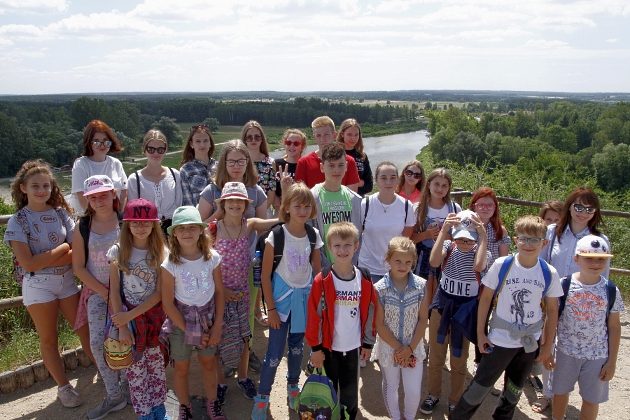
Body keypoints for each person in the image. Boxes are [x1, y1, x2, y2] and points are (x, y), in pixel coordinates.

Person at [451, 215, 563, 420]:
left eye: (534, 240)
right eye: (523, 238)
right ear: (516, 240)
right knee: (479, 387)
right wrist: (481, 335)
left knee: (514, 390)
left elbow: (553, 310)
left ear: (544, 243)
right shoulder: (502, 265)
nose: (528, 244)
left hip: (528, 342)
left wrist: (547, 346)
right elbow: (485, 300)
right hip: (500, 339)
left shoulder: (549, 272)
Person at [4, 159, 91, 408]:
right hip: (38, 285)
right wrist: (64, 247)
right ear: (23, 188)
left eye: (46, 186)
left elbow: (79, 249)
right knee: (49, 339)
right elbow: (28, 264)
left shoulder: (60, 213)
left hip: (66, 281)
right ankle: (64, 387)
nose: (42, 191)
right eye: (36, 186)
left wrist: (51, 255)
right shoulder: (17, 221)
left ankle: (108, 375)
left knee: (83, 330)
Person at [534, 187, 611, 413]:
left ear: (595, 212)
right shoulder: (552, 232)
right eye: (578, 206)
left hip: (582, 303)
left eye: (589, 208)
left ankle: (560, 393)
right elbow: (541, 264)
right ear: (569, 206)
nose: (583, 212)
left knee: (568, 349)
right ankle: (548, 394)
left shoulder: (599, 240)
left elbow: (603, 277)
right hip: (552, 299)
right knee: (548, 345)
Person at [251, 183, 324, 419]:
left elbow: (316, 271)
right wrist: (270, 308)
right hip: (280, 303)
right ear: (287, 208)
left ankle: (293, 387)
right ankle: (263, 397)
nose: (302, 210)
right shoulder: (277, 235)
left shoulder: (313, 235)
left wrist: (317, 303)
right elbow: (264, 275)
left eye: (306, 206)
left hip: (303, 301)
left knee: (296, 348)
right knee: (273, 353)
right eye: (297, 206)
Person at [197, 139, 267, 372]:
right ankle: (222, 359)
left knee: (245, 315)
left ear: (248, 162)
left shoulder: (256, 191)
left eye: (241, 160)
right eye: (231, 161)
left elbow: (262, 227)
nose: (236, 166)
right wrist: (217, 213)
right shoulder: (211, 191)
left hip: (247, 264)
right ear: (223, 163)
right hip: (218, 269)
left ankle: (246, 355)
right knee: (219, 314)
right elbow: (197, 229)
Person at [210, 182, 278, 405]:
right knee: (218, 341)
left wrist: (286, 194)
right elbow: (204, 265)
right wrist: (223, 291)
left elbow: (280, 220)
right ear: (223, 204)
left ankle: (244, 377)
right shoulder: (212, 229)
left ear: (245, 205)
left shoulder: (248, 225)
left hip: (243, 294)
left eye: (240, 201)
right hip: (219, 296)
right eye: (231, 200)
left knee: (244, 337)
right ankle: (221, 382)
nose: (236, 204)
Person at [306, 221, 377, 420]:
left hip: (353, 348)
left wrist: (368, 342)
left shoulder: (364, 277)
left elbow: (372, 310)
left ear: (356, 246)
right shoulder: (323, 279)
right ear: (329, 248)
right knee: (328, 394)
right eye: (337, 245)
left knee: (350, 395)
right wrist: (316, 348)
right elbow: (314, 316)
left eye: (348, 245)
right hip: (329, 348)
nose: (342, 250)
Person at [421, 210, 489, 415]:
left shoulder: (482, 251)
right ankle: (433, 394)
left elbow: (479, 265)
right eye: (460, 238)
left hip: (464, 312)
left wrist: (483, 235)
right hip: (442, 306)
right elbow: (433, 262)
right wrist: (443, 232)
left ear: (476, 238)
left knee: (459, 358)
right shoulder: (449, 247)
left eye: (469, 240)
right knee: (436, 356)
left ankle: (455, 399)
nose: (464, 243)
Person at [160, 206, 226, 420]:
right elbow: (168, 304)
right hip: (181, 322)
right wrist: (189, 330)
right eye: (181, 228)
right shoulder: (170, 264)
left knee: (208, 363)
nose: (187, 232)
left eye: (192, 227)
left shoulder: (212, 258)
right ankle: (184, 406)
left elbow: (219, 292)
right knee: (181, 367)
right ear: (174, 234)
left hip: (208, 320)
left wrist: (217, 326)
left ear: (201, 230)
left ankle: (212, 402)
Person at [72, 175, 128, 419]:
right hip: (97, 293)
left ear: (113, 194)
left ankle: (128, 387)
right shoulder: (82, 226)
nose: (99, 200)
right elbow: (79, 267)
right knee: (98, 343)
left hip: (128, 292)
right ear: (87, 200)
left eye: (103, 194)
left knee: (127, 339)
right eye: (93, 197)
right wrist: (104, 292)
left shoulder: (126, 221)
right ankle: (113, 394)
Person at [551, 235, 624, 420]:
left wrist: (611, 361)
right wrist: (548, 348)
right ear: (576, 258)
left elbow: (614, 327)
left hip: (597, 356)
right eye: (589, 258)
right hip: (565, 351)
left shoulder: (611, 290)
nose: (595, 263)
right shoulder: (563, 285)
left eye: (601, 259)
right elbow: (552, 319)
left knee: (592, 400)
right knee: (560, 394)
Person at [107, 199, 168, 420]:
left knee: (156, 366)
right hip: (129, 321)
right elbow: (114, 292)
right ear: (127, 224)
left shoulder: (161, 251)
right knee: (135, 369)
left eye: (146, 222)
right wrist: (123, 325)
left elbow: (160, 293)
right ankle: (144, 412)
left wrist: (127, 316)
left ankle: (159, 409)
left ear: (154, 225)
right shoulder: (117, 251)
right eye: (135, 222)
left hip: (153, 319)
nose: (141, 227)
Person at [372, 237, 430, 420]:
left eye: (408, 261)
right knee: (392, 385)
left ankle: (410, 417)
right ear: (388, 260)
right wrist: (399, 349)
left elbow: (423, 320)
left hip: (414, 347)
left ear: (413, 262)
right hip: (390, 348)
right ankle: (396, 417)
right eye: (397, 260)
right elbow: (379, 324)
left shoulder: (421, 286)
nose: (403, 265)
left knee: (413, 391)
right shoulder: (379, 289)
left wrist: (410, 349)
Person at [358, 161, 415, 284]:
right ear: (376, 180)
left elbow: (406, 238)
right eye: (383, 178)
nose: (388, 182)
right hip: (368, 267)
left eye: (392, 178)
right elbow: (358, 234)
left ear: (398, 180)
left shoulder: (406, 206)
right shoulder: (366, 204)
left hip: (395, 268)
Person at [309, 142, 363, 268]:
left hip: (349, 266)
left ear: (346, 166)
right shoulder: (312, 198)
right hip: (323, 266)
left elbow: (358, 236)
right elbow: (310, 236)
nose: (336, 170)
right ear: (322, 167)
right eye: (331, 166)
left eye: (340, 165)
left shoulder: (355, 199)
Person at [411, 168, 461, 301]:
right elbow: (409, 239)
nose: (440, 189)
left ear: (449, 188)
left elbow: (460, 240)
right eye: (437, 184)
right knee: (421, 293)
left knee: (442, 293)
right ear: (429, 185)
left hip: (447, 257)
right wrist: (427, 234)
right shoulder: (417, 208)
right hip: (422, 257)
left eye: (444, 185)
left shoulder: (455, 208)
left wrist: (446, 236)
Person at [127, 129, 182, 236]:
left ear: (165, 150)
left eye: (160, 149)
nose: (156, 153)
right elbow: (133, 211)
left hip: (172, 230)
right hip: (146, 231)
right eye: (151, 149)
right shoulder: (134, 179)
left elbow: (178, 205)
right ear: (144, 150)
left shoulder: (175, 175)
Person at [71, 119, 127, 212]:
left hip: (114, 218)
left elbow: (124, 191)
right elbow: (81, 197)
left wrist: (118, 213)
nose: (102, 145)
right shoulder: (81, 164)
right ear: (89, 143)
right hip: (90, 220)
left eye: (105, 141)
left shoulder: (116, 163)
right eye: (96, 141)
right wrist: (99, 219)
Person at [294, 116, 360, 191]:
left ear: (334, 135)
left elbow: (352, 194)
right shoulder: (304, 162)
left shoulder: (348, 161)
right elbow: (301, 195)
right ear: (314, 137)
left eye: (326, 134)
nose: (322, 139)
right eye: (318, 135)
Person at [468, 187, 510, 268]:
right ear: (474, 206)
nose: (485, 208)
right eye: (481, 205)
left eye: (490, 205)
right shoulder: (466, 226)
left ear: (495, 207)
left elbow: (503, 260)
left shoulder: (500, 230)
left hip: (490, 276)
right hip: (467, 275)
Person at [267, 129, 307, 211]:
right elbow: (270, 186)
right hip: (278, 209)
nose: (291, 146)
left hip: (298, 209)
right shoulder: (276, 163)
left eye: (296, 144)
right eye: (288, 143)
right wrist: (275, 198)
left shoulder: (304, 165)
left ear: (302, 146)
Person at [180, 123, 217, 206]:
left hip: (220, 217)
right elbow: (187, 201)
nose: (202, 145)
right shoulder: (186, 170)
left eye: (205, 141)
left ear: (210, 143)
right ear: (191, 144)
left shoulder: (220, 166)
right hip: (198, 217)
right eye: (198, 141)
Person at [241, 120, 276, 205]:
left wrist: (259, 212)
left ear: (262, 139)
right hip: (239, 210)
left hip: (263, 212)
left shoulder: (270, 163)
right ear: (244, 140)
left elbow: (271, 195)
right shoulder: (238, 161)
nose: (253, 140)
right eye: (249, 137)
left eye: (257, 137)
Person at [336, 118, 373, 196]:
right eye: (349, 134)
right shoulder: (335, 154)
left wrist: (350, 183)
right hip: (338, 199)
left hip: (359, 199)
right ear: (342, 134)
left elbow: (369, 186)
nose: (353, 138)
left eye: (356, 135)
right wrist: (358, 183)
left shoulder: (362, 156)